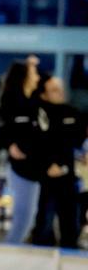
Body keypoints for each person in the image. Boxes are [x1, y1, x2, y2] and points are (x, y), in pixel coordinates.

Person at [0, 56, 47, 244]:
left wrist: (32, 67)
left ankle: (12, 249)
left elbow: (44, 82)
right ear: (24, 78)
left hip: (35, 168)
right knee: (23, 220)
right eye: (34, 74)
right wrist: (9, 145)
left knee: (28, 219)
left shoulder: (34, 102)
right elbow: (4, 129)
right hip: (22, 169)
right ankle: (8, 253)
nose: (37, 78)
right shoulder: (14, 103)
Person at [31, 75, 85, 248]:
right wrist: (47, 165)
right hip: (43, 180)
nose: (60, 93)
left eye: (61, 89)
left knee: (71, 227)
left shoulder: (73, 113)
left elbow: (79, 142)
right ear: (44, 94)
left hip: (68, 180)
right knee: (44, 228)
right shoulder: (36, 114)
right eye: (54, 90)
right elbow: (35, 144)